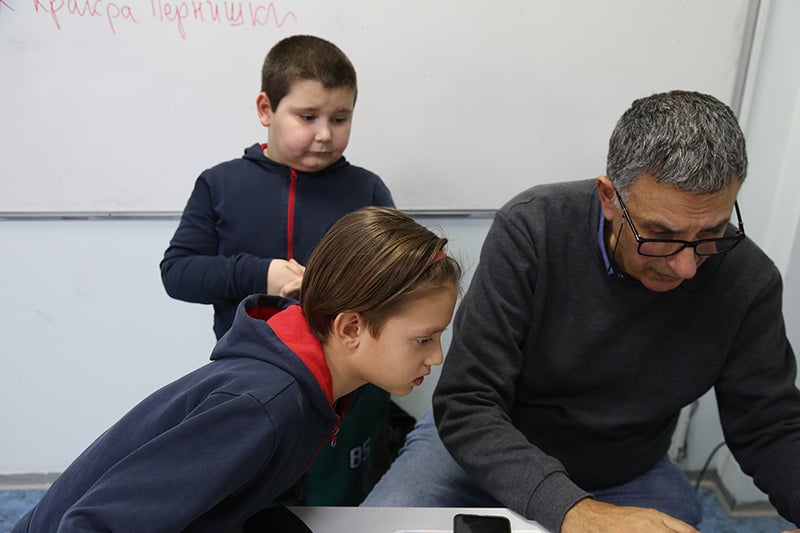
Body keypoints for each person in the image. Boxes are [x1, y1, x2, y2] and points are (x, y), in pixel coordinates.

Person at [362, 91, 800, 532]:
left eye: (710, 233)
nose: (685, 266)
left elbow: (771, 426)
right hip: (489, 450)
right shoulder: (533, 229)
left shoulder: (749, 280)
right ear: (609, 198)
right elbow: (467, 401)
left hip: (626, 468)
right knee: (384, 526)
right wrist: (573, 510)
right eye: (661, 235)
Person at [13, 207, 461, 533]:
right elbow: (95, 525)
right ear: (350, 329)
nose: (436, 357)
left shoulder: (324, 379)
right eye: (424, 339)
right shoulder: (262, 405)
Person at [159, 34, 399, 505]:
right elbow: (179, 272)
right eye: (308, 117)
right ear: (266, 109)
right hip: (252, 382)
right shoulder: (220, 184)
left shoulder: (367, 189)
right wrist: (261, 274)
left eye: (340, 119)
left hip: (350, 386)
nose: (325, 134)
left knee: (342, 503)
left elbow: (397, 278)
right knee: (255, 497)